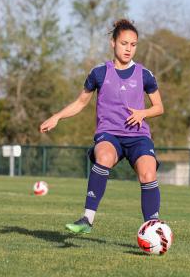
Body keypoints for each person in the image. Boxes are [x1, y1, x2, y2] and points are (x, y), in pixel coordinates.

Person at [39, 19, 164, 234]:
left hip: (138, 136)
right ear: (113, 43)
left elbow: (159, 107)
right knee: (104, 157)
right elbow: (80, 102)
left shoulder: (145, 74)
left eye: (133, 45)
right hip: (109, 135)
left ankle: (153, 228)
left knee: (148, 172)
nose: (128, 49)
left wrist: (143, 113)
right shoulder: (99, 73)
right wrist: (57, 117)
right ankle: (87, 220)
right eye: (124, 43)